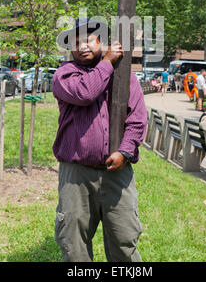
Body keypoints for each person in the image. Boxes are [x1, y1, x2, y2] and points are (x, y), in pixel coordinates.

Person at [52, 18, 147, 262]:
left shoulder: (124, 77)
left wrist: (125, 152)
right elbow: (86, 92)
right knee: (74, 245)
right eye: (75, 43)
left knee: (124, 241)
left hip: (117, 173)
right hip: (77, 174)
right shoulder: (65, 74)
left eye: (88, 40)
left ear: (101, 42)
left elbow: (137, 119)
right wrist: (106, 62)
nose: (82, 46)